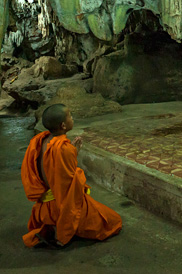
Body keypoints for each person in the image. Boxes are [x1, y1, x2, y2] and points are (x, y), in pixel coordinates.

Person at [21, 104, 122, 248]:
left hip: (44, 206)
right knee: (113, 221)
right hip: (61, 208)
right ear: (63, 125)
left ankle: (51, 226)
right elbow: (70, 186)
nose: (72, 119)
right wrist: (71, 154)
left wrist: (72, 153)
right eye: (71, 116)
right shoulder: (63, 148)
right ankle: (61, 230)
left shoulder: (39, 140)